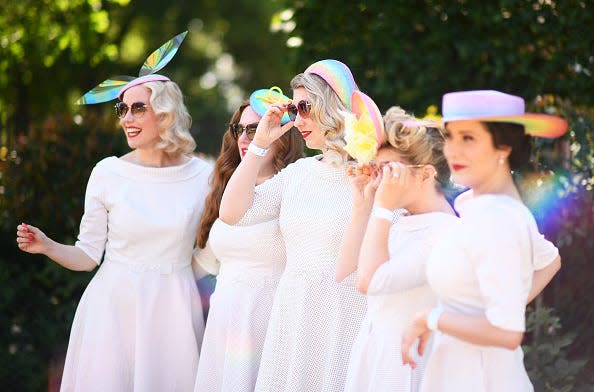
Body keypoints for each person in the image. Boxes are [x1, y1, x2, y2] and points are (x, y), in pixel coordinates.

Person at [16, 33, 213, 391]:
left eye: (139, 107)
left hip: (174, 312)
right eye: (122, 108)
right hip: (113, 310)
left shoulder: (203, 176)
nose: (127, 117)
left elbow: (217, 245)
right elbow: (88, 255)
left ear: (165, 113)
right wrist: (47, 246)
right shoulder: (108, 172)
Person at [401, 90, 568, 391]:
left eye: (468, 138)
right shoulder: (475, 205)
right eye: (450, 136)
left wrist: (431, 318)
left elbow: (506, 332)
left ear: (502, 146)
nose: (452, 150)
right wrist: (493, 306)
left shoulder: (498, 218)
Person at [218, 59, 366, 391]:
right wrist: (260, 145)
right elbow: (231, 213)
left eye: (305, 107)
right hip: (296, 316)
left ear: (333, 106)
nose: (298, 119)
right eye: (293, 109)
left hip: (348, 316)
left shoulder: (372, 173)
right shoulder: (299, 173)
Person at [336, 106, 457, 391]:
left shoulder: (444, 233)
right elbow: (344, 270)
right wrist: (362, 205)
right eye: (376, 168)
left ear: (426, 175)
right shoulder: (399, 221)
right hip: (373, 354)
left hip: (405, 364)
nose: (378, 179)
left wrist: (382, 207)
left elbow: (370, 282)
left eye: (387, 170)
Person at [193, 88, 304, 392]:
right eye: (239, 129)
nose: (246, 138)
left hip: (271, 317)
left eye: (255, 129)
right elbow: (203, 262)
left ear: (283, 133)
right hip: (224, 317)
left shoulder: (295, 187)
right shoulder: (225, 190)